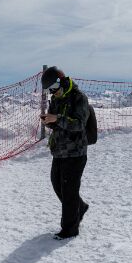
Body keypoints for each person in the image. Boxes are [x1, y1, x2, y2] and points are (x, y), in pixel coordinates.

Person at [41, 66, 95, 240]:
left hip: (76, 152)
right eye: (48, 90)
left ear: (61, 81)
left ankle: (69, 229)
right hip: (59, 151)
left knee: (69, 190)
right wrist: (49, 121)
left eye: (53, 88)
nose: (52, 92)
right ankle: (80, 207)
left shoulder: (79, 98)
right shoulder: (56, 100)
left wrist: (57, 119)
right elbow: (57, 122)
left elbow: (79, 124)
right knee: (58, 185)